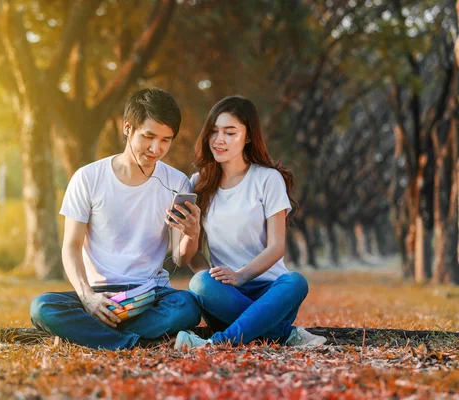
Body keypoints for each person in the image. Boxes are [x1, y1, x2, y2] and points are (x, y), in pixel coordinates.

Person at [30, 88, 202, 350]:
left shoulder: (177, 182)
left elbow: (180, 259)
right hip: (100, 292)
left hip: (150, 294)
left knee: (187, 306)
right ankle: (136, 342)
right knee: (42, 307)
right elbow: (71, 247)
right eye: (149, 136)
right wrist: (87, 297)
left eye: (166, 140)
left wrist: (192, 232)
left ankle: (102, 337)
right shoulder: (88, 178)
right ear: (127, 128)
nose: (156, 149)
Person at [174, 96, 327, 350]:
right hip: (225, 296)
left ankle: (216, 343)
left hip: (271, 293)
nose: (219, 140)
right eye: (214, 131)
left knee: (296, 281)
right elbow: (188, 258)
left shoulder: (268, 179)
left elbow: (276, 247)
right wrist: (192, 238)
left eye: (230, 132)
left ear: (247, 137)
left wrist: (241, 276)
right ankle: (283, 334)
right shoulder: (198, 184)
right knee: (199, 282)